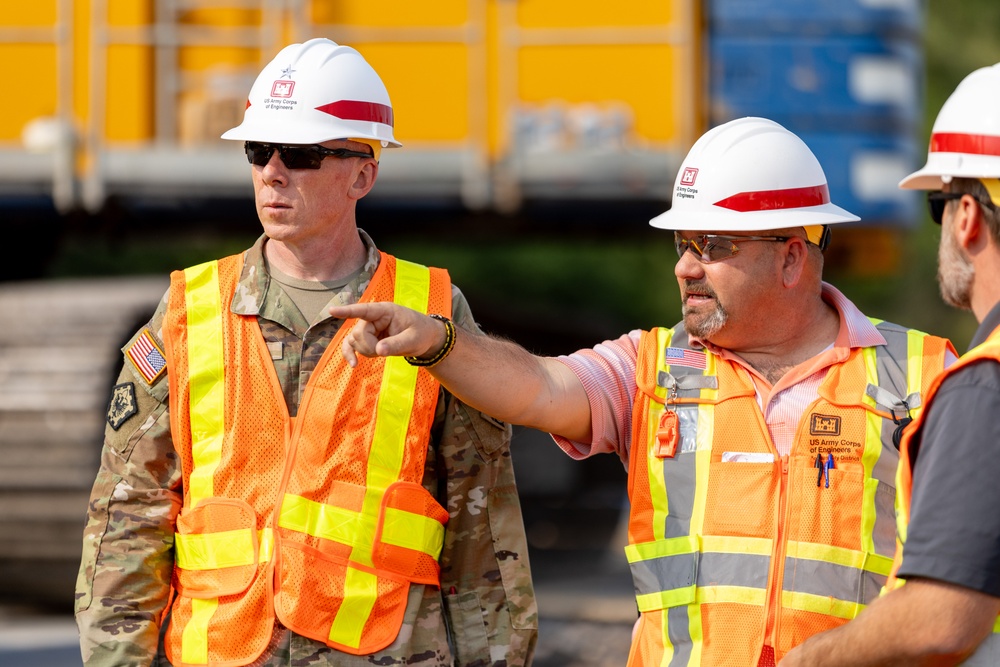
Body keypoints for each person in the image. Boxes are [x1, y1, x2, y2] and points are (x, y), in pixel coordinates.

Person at [329, 116, 958, 666]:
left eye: (714, 246)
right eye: (684, 245)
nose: (686, 266)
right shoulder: (650, 368)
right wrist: (441, 342)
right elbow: (539, 388)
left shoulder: (922, 375)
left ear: (792, 257)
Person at [74, 38, 537, 667]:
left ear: (362, 174)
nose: (272, 172)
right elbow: (128, 516)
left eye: (299, 154)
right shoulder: (191, 309)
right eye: (259, 151)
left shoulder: (428, 311)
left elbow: (480, 520)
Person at [779, 63, 1000, 667]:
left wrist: (814, 658)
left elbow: (942, 619)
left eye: (939, 204)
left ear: (967, 216)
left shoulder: (986, 385)